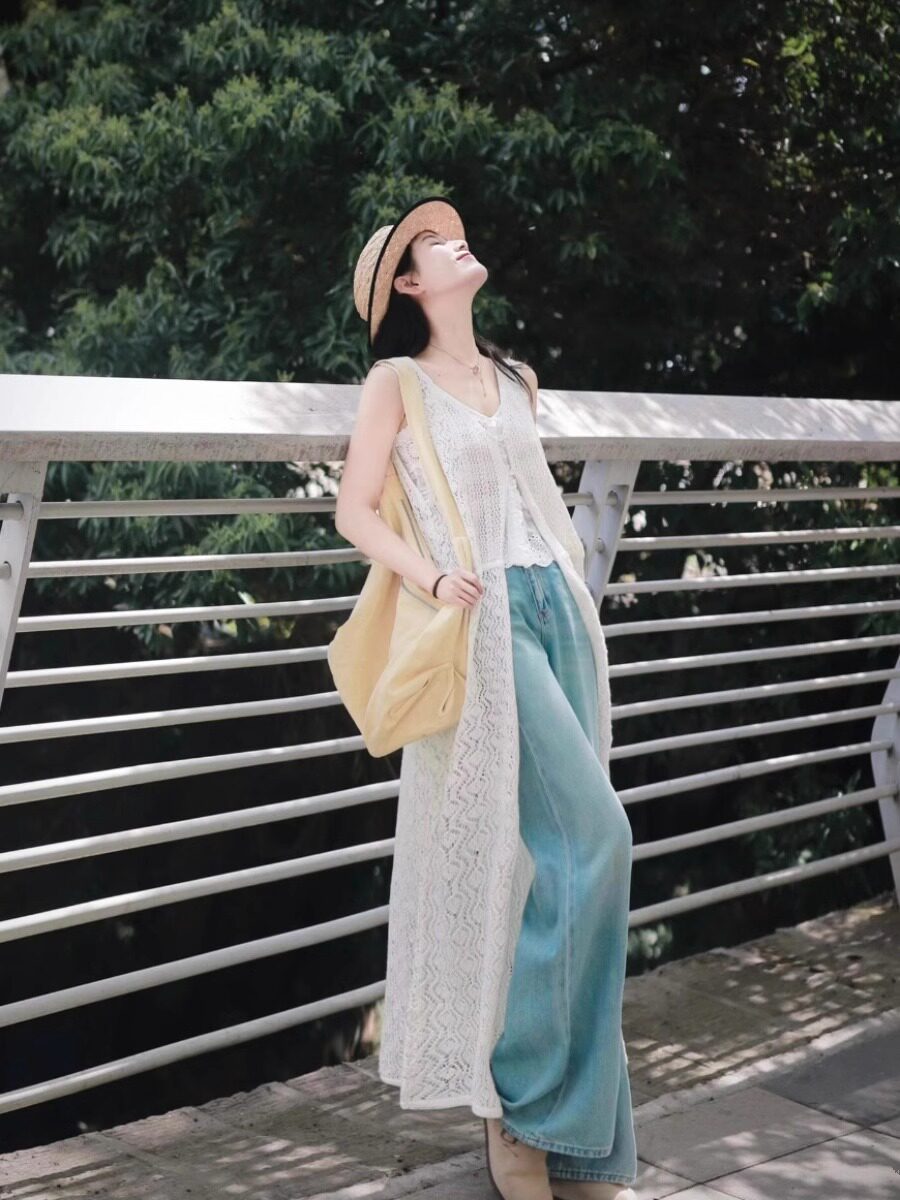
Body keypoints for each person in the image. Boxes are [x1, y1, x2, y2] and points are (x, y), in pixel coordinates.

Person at [333, 196, 638, 1200]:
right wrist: (429, 576)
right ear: (409, 285)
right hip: (487, 617)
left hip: (557, 607)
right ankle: (519, 1104)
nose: (452, 240)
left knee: (564, 857)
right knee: (595, 838)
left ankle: (580, 1140)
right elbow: (354, 510)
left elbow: (533, 506)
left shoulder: (515, 381)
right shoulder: (396, 382)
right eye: (429, 244)